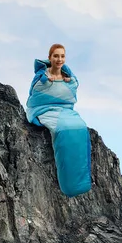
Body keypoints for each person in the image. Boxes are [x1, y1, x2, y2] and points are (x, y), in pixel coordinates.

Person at [25, 44, 92, 197]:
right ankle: (69, 185)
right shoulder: (42, 76)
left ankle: (82, 181)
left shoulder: (68, 77)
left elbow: (71, 90)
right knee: (62, 130)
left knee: (81, 128)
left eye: (62, 56)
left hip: (65, 110)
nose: (59, 59)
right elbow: (36, 93)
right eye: (56, 56)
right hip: (45, 109)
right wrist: (47, 83)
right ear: (50, 58)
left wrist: (66, 83)